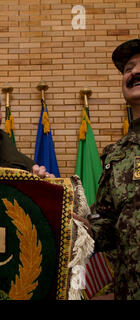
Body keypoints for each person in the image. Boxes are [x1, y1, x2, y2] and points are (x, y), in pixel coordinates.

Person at [74, 39, 140, 300]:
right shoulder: (117, 153)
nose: (134, 72)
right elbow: (108, 220)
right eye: (129, 68)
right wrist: (80, 227)